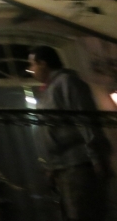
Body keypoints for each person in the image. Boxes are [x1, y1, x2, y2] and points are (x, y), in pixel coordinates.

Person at [28, 45, 112, 220]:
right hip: (61, 166)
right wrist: (50, 165)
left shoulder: (67, 82)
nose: (31, 69)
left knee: (83, 213)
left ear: (43, 63)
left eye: (33, 64)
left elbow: (85, 120)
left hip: (78, 164)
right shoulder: (48, 90)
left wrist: (96, 157)